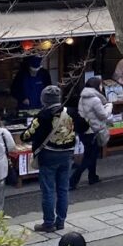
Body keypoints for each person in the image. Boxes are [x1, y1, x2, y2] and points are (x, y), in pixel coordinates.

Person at [20, 85, 76, 232]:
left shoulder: (43, 115)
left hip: (49, 155)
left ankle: (49, 222)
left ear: (44, 100)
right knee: (63, 189)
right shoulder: (70, 112)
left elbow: (27, 135)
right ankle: (61, 221)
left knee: (48, 190)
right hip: (67, 154)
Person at [71, 77, 112, 190]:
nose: (101, 87)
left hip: (84, 129)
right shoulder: (95, 100)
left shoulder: (82, 97)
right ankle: (73, 180)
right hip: (93, 130)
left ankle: (92, 176)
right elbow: (103, 115)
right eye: (100, 85)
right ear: (97, 86)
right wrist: (109, 107)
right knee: (89, 156)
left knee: (91, 153)